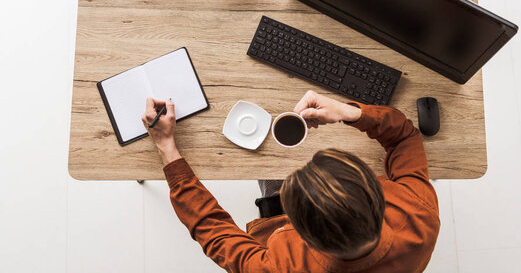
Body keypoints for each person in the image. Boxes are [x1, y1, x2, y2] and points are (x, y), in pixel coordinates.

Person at [142, 90, 440, 272]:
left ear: (298, 231)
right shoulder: (420, 213)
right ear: (377, 191)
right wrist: (348, 112)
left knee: (264, 161)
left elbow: (213, 230)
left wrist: (167, 146)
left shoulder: (278, 268)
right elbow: (404, 137)